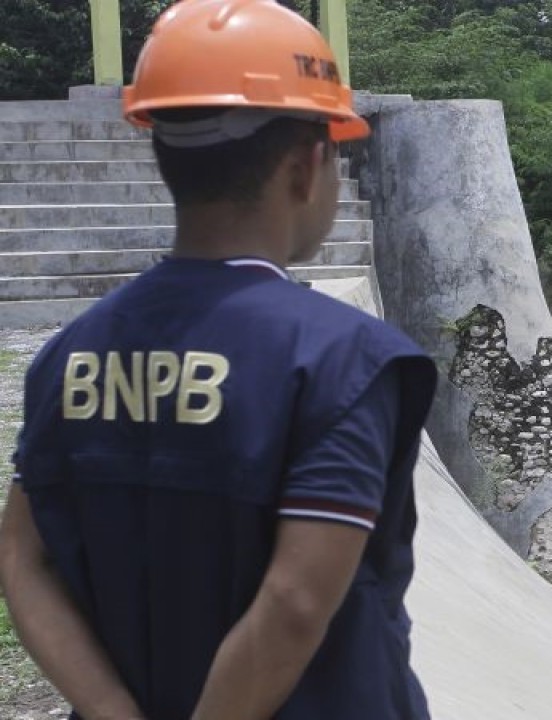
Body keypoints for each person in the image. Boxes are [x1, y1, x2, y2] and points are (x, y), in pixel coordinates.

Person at [0, 0, 436, 717]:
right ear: (305, 166)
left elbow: (21, 557)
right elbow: (295, 602)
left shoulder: (67, 355)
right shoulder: (341, 360)